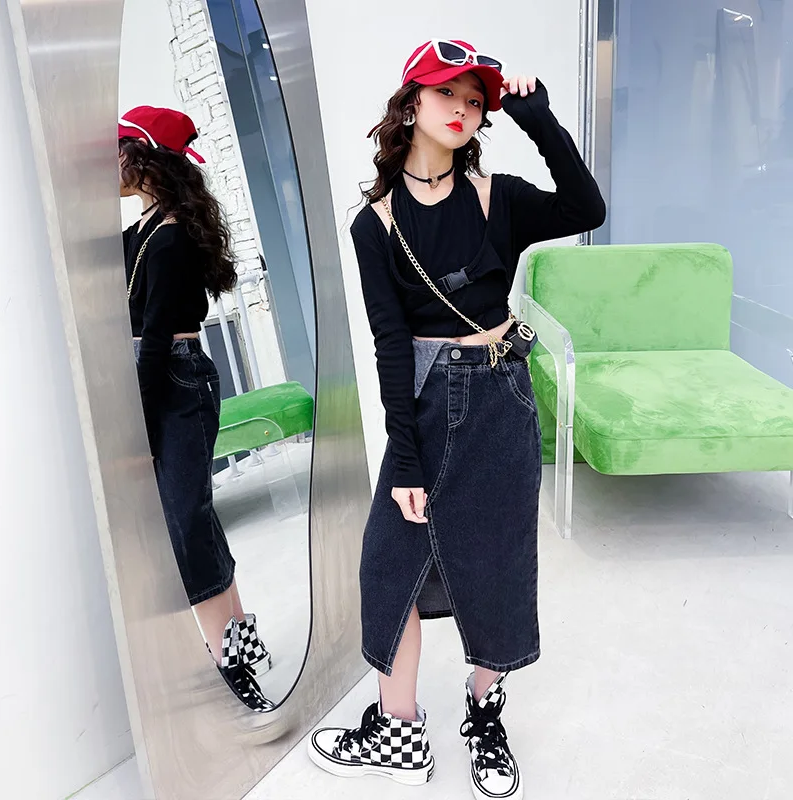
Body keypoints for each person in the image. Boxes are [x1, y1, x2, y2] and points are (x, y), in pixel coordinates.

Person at [307, 40, 605, 798]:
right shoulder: (375, 225)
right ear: (411, 103)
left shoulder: (496, 198)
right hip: (429, 400)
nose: (463, 110)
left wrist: (540, 121)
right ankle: (400, 731)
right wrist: (404, 459)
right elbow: (389, 344)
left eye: (475, 101)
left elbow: (586, 208)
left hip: (501, 395)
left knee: (495, 562)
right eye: (448, 94)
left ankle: (484, 710)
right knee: (388, 566)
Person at [119, 106, 274, 713]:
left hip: (174, 378)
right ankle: (238, 637)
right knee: (195, 517)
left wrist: (136, 419)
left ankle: (225, 658)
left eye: (121, 150)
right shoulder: (141, 230)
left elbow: (157, 336)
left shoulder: (172, 235)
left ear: (147, 158)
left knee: (184, 524)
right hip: (164, 376)